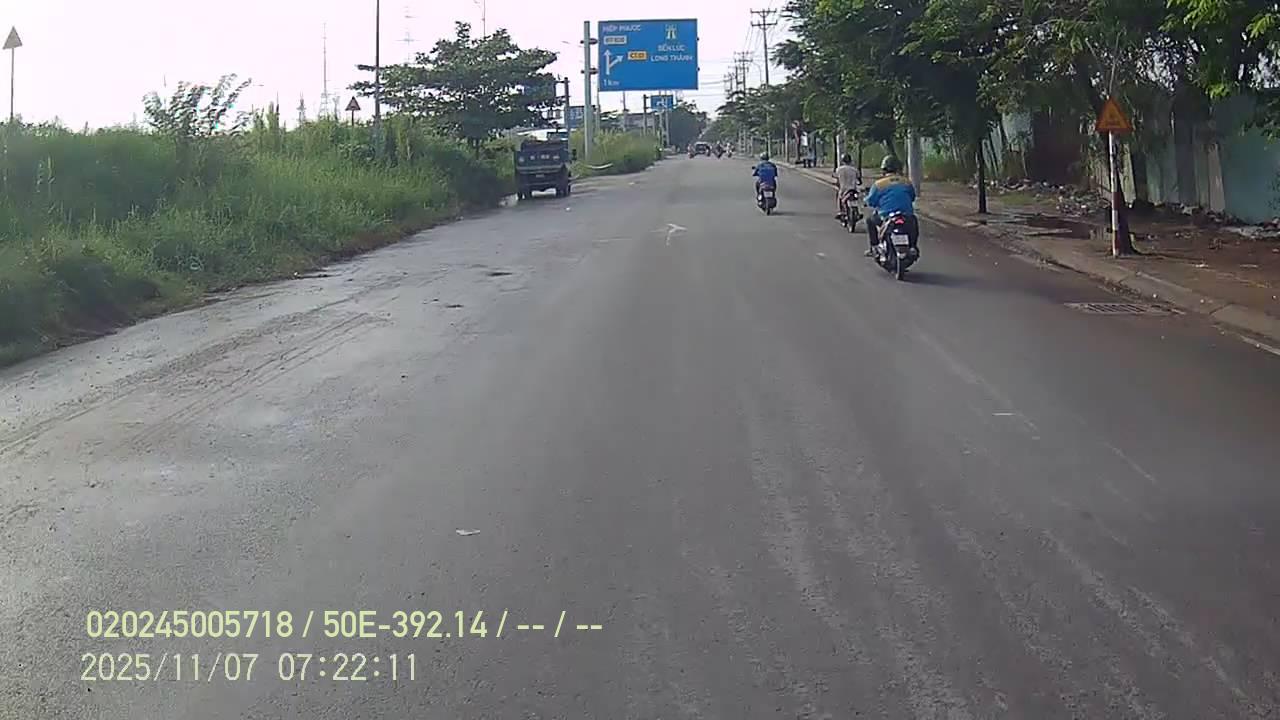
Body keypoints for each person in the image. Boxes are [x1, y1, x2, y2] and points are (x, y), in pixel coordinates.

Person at [865, 155, 918, 257]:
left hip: (885, 216)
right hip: (906, 216)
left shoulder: (879, 184)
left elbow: (871, 201)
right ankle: (912, 246)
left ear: (884, 169)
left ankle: (874, 247)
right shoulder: (906, 182)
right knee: (914, 222)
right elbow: (912, 196)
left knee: (870, 220)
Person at [833, 154, 861, 219]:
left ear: (842, 161)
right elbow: (859, 179)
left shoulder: (838, 169)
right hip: (853, 189)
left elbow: (837, 180)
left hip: (843, 189)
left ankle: (840, 211)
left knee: (839, 196)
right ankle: (858, 212)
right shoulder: (854, 170)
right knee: (856, 199)